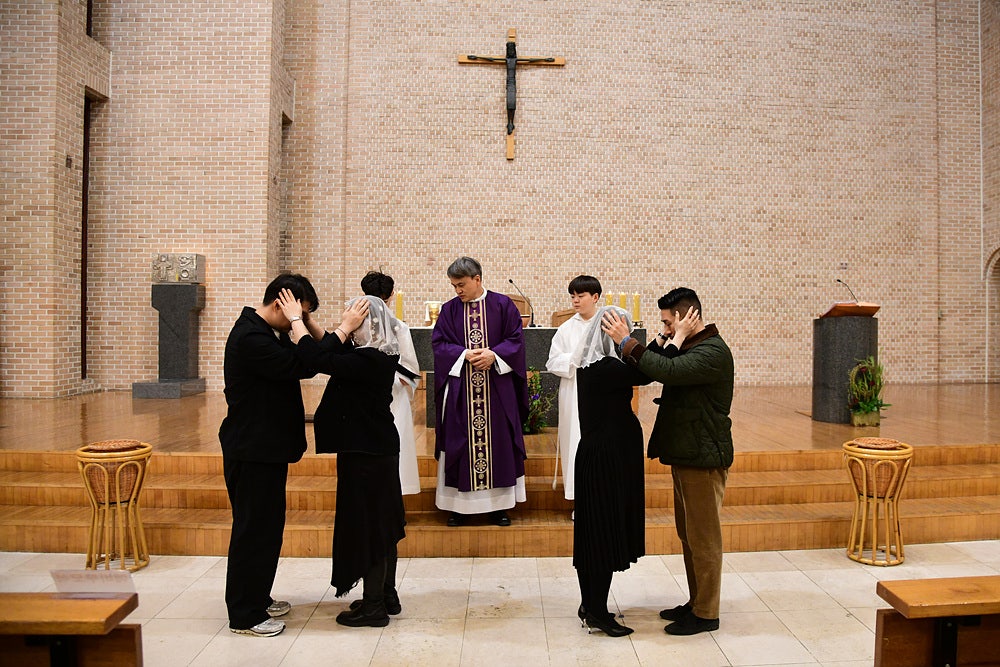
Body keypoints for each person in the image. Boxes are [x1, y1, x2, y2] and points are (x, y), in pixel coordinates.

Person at [602, 288, 733, 637]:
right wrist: (665, 336)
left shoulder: (712, 351)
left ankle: (706, 613)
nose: (665, 327)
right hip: (688, 452)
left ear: (687, 316)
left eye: (667, 321)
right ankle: (696, 601)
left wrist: (626, 341)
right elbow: (659, 362)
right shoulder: (692, 345)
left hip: (703, 456)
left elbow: (667, 370)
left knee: (704, 538)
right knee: (689, 535)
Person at [279, 290, 407, 628]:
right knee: (381, 525)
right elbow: (330, 347)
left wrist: (296, 320)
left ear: (366, 324)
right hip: (373, 449)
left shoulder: (370, 360)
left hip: (367, 453)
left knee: (371, 527)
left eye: (353, 319)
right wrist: (311, 323)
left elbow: (317, 359)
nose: (346, 323)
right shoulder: (373, 353)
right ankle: (386, 595)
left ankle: (374, 606)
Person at [219, 273, 324, 637]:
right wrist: (298, 323)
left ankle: (257, 597)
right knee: (253, 531)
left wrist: (302, 322)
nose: (299, 320)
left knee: (266, 529)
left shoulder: (266, 332)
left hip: (265, 449)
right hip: (252, 450)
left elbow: (304, 355)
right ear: (282, 304)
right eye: (298, 311)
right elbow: (304, 364)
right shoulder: (251, 337)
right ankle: (244, 615)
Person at [571, 306, 653, 637]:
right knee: (601, 535)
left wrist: (661, 341)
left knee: (593, 534)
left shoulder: (593, 366)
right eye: (622, 333)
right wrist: (668, 340)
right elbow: (646, 373)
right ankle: (596, 612)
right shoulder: (606, 368)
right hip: (606, 460)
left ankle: (590, 604)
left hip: (599, 457)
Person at [432, 256, 528, 527]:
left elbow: (516, 340)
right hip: (461, 391)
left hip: (496, 391)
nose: (457, 290)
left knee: (498, 444)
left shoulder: (503, 305)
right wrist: (463, 354)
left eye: (461, 284)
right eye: (454, 286)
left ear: (477, 279)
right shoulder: (449, 310)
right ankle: (459, 507)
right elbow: (439, 344)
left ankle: (499, 507)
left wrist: (494, 355)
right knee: (459, 442)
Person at [545, 275, 603, 512]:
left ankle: (602, 501)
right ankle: (581, 502)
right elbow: (552, 362)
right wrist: (575, 358)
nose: (576, 301)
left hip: (602, 395)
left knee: (601, 447)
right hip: (574, 393)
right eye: (573, 296)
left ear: (595, 297)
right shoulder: (566, 329)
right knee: (575, 444)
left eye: (581, 296)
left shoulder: (607, 324)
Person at [361, 270, 421, 496]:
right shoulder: (398, 327)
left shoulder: (355, 324)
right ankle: (395, 494)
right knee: (396, 439)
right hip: (393, 390)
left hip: (364, 389)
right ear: (392, 295)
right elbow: (410, 367)